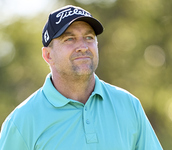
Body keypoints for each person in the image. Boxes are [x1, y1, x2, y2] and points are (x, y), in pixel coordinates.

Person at [0, 5, 163, 150]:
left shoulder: (129, 106)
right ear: (48, 55)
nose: (83, 47)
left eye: (89, 38)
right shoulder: (22, 122)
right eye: (70, 39)